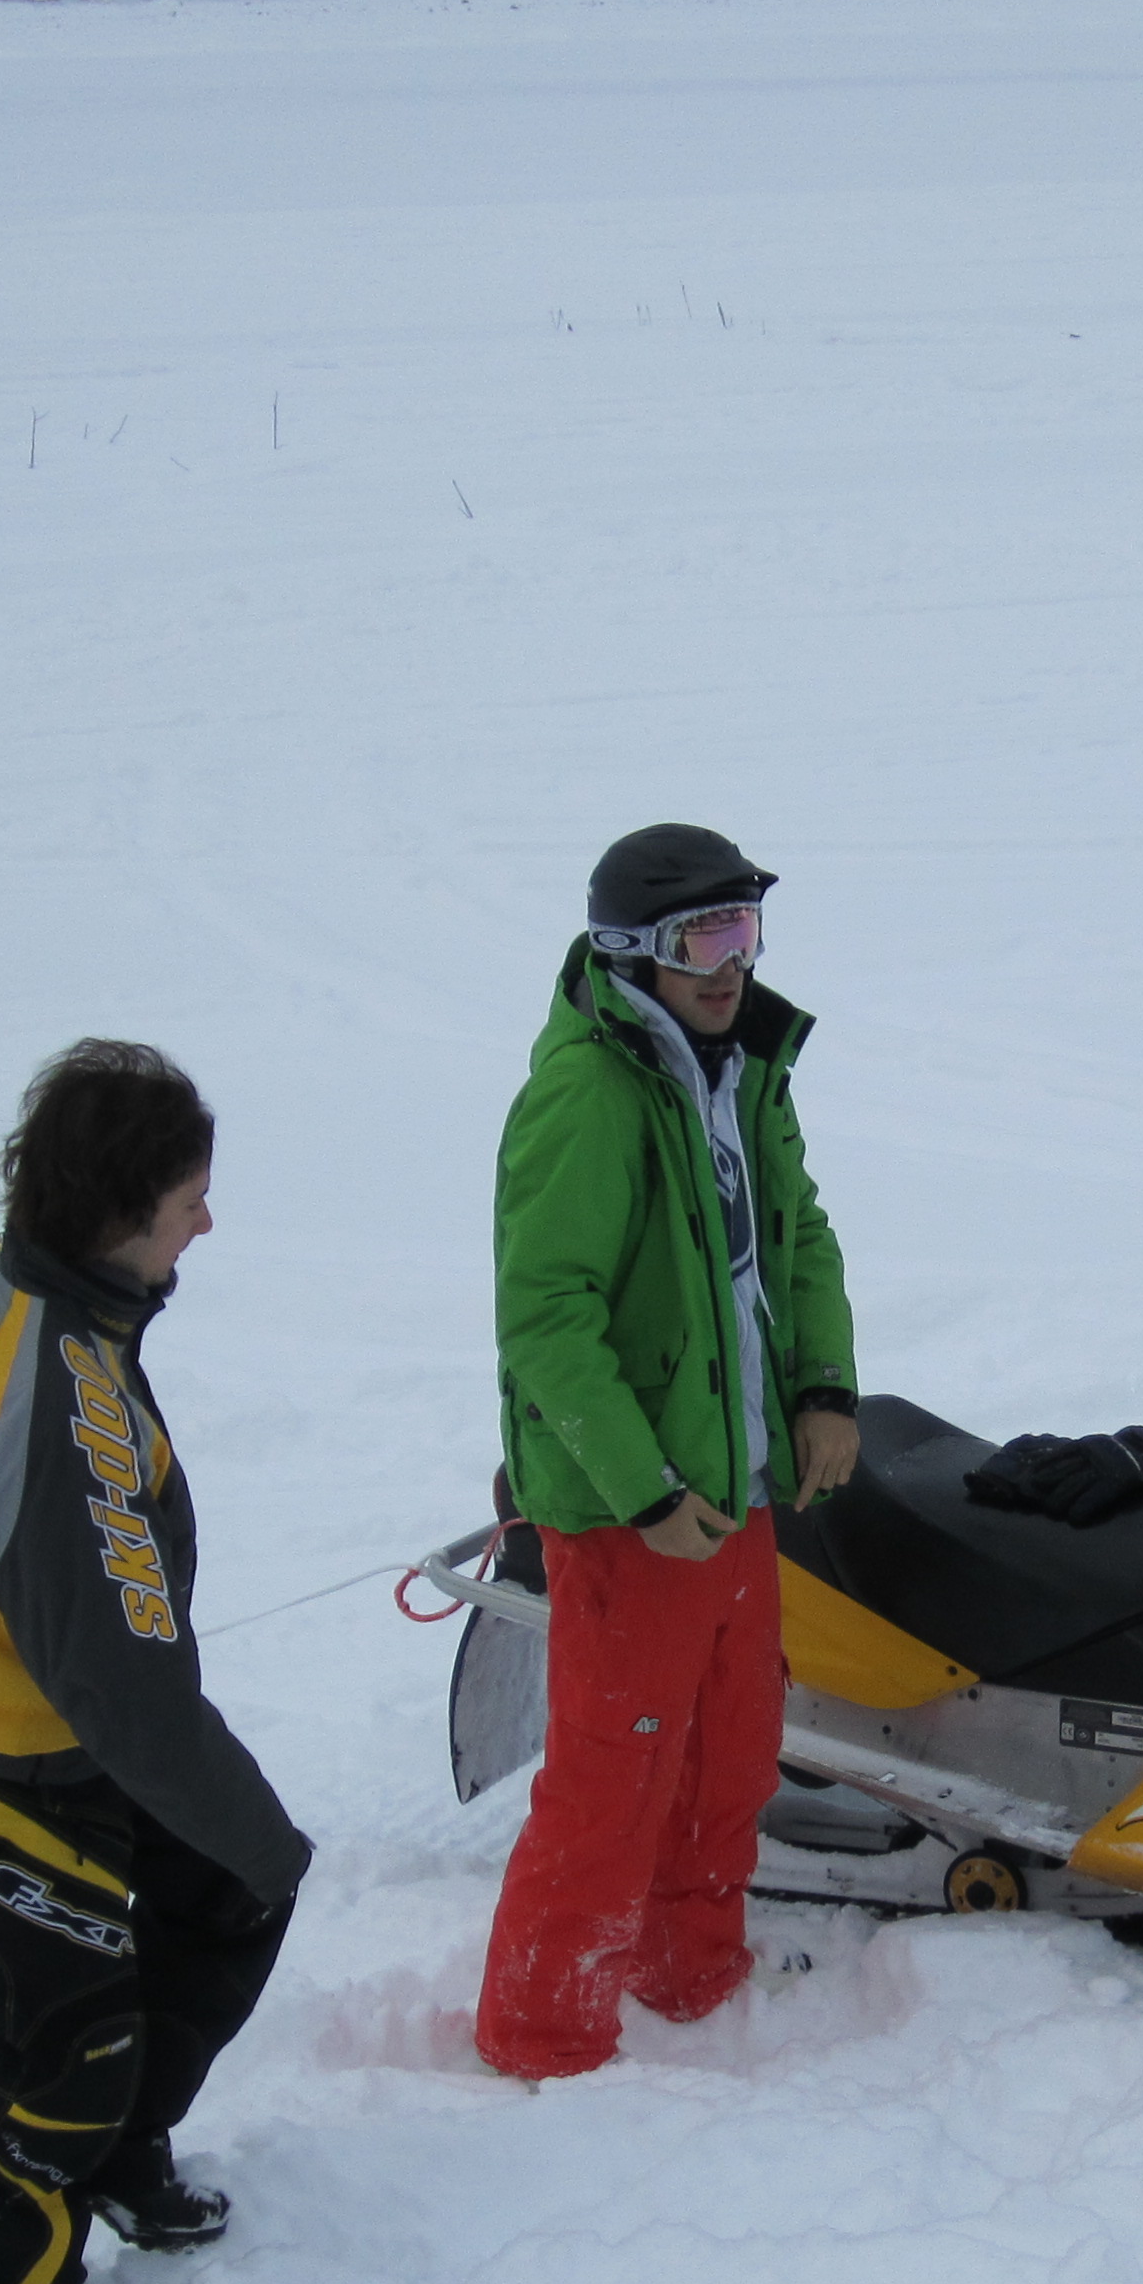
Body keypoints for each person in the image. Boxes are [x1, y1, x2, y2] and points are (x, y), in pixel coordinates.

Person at [0, 1039, 310, 2284]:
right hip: (10, 1752)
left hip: (18, 1696)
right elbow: (118, 1678)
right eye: (188, 1201)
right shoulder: (54, 1387)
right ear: (121, 1212)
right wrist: (229, 1807)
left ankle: (117, 2158)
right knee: (69, 2036)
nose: (206, 1222)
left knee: (223, 1888)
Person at [477, 824, 862, 2079]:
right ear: (632, 951)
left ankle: (690, 1976)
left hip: (735, 1488)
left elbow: (796, 1235)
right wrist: (640, 1489)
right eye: (705, 937)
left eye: (744, 933)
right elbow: (545, 1318)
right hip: (630, 1510)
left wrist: (823, 1391)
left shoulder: (744, 1069)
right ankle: (544, 2036)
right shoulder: (588, 1094)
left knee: (730, 1753)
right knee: (613, 1778)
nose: (731, 964)